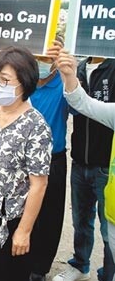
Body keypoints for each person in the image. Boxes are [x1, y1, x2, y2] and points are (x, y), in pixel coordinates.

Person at [0, 46, 52, 281]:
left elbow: (39, 185)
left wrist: (24, 231)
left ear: (24, 82)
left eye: (4, 80)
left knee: (11, 274)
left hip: (14, 217)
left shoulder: (36, 126)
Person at [53, 53, 115, 281]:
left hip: (107, 165)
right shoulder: (78, 67)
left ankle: (108, 273)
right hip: (80, 161)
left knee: (109, 228)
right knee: (81, 221)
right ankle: (80, 265)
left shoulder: (113, 67)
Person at [28, 37, 70, 281]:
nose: (43, 63)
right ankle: (20, 258)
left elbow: (78, 105)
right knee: (23, 211)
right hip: (22, 160)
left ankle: (40, 268)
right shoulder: (25, 82)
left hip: (53, 158)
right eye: (39, 56)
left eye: (48, 58)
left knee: (50, 216)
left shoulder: (63, 86)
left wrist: (66, 73)